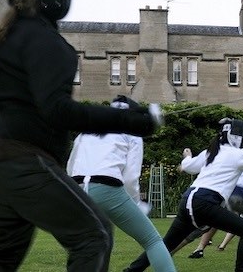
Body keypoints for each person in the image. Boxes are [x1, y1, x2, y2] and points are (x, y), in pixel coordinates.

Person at [0, 0, 163, 272]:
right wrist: (135, 121)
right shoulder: (50, 44)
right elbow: (59, 111)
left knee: (0, 254)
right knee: (95, 235)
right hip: (23, 161)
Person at [123, 119, 243, 272]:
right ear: (237, 137)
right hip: (205, 202)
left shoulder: (211, 151)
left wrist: (187, 155)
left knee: (165, 244)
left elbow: (188, 167)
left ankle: (132, 270)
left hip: (188, 200)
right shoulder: (236, 155)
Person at [67, 95, 175, 272]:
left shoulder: (86, 131)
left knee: (97, 242)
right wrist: (137, 203)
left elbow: (71, 166)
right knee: (152, 240)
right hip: (105, 189)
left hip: (77, 190)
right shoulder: (132, 131)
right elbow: (131, 177)